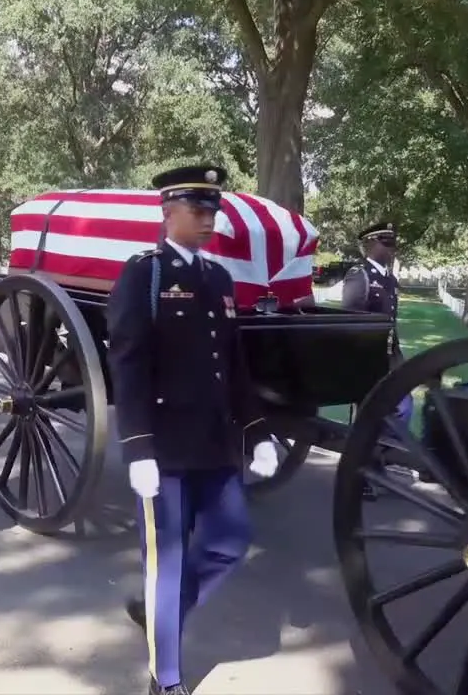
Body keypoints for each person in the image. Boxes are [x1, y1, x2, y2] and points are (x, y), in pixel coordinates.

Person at [107, 164, 279, 695]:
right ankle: (167, 678)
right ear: (168, 212)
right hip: (162, 447)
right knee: (168, 560)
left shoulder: (217, 278)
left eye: (213, 211)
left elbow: (234, 365)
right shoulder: (145, 274)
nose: (208, 221)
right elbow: (129, 365)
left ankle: (164, 613)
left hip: (214, 440)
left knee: (231, 540)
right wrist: (137, 448)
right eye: (198, 210)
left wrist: (258, 431)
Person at [340, 221, 411, 499]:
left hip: (389, 359)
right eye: (385, 241)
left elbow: (391, 326)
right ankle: (363, 471)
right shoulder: (360, 276)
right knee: (371, 415)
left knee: (403, 408)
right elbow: (350, 322)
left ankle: (374, 459)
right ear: (370, 244)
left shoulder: (390, 280)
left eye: (393, 241)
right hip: (367, 362)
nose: (391, 248)